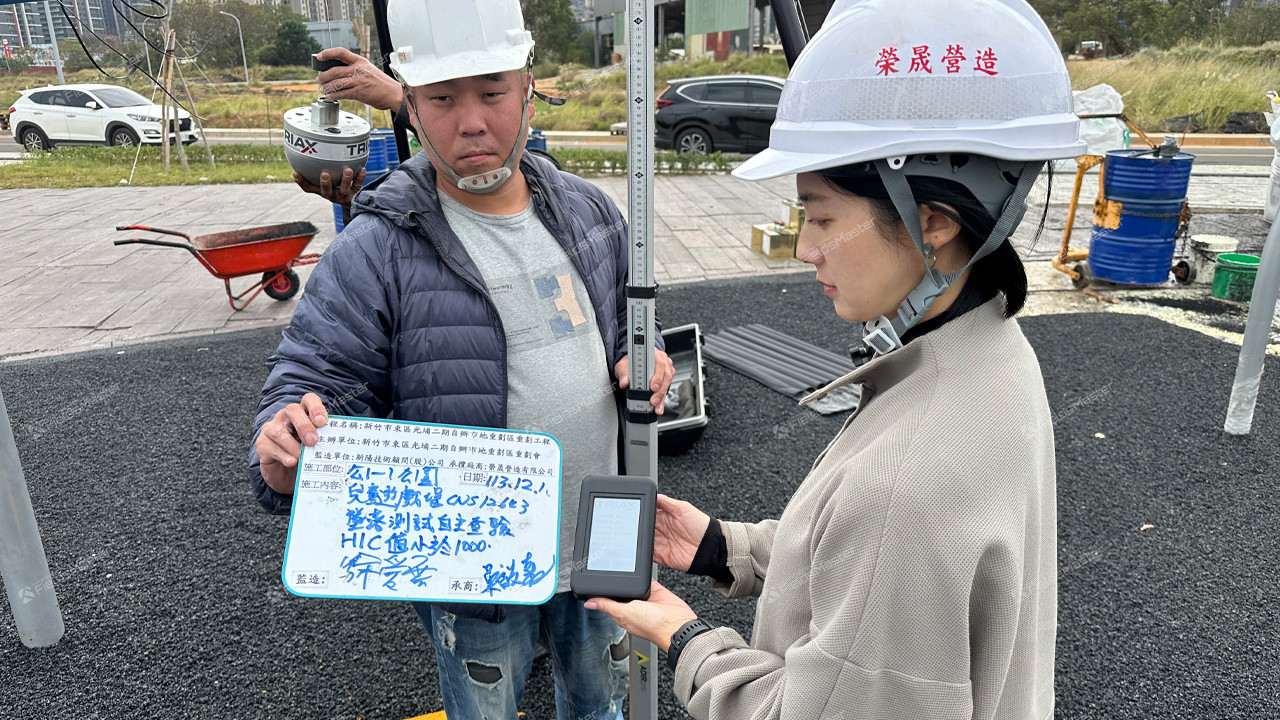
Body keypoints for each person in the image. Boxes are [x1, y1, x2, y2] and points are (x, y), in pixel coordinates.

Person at [585, 1, 1084, 719]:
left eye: (820, 217)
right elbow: (876, 573)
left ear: (934, 221)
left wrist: (682, 633)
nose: (804, 250)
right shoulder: (992, 348)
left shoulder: (906, 483)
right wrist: (727, 548)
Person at [248, 1, 674, 718]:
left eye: (491, 92)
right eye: (443, 98)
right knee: (485, 704)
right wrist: (284, 445)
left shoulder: (591, 212)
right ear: (410, 105)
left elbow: (631, 328)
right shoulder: (377, 246)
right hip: (472, 556)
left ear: (529, 92)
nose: (470, 122)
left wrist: (650, 358)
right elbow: (311, 379)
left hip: (604, 523)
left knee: (602, 701)